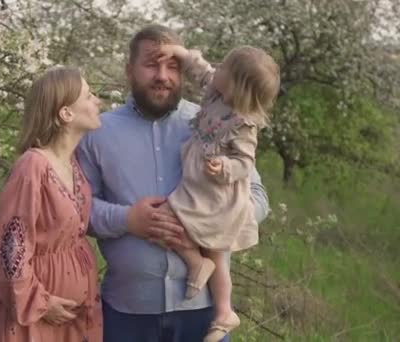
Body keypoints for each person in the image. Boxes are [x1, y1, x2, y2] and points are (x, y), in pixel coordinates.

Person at [77, 24, 270, 342]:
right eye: (152, 64)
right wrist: (129, 219)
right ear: (129, 70)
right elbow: (78, 210)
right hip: (126, 315)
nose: (163, 76)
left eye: (173, 66)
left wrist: (215, 216)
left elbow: (259, 197)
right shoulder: (97, 133)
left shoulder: (215, 123)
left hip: (204, 315)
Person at [155, 44, 280, 342]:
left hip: (217, 194)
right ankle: (206, 278)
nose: (217, 70)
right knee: (202, 243)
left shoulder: (244, 124)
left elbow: (244, 163)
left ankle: (223, 309)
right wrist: (178, 51)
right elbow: (200, 68)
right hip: (199, 185)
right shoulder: (216, 90)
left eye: (224, 68)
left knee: (202, 240)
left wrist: (224, 166)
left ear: (237, 84)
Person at [0, 66, 103, 342]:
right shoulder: (33, 166)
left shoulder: (72, 165)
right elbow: (11, 246)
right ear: (66, 113)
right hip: (35, 319)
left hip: (71, 318)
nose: (98, 101)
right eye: (88, 95)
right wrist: (41, 302)